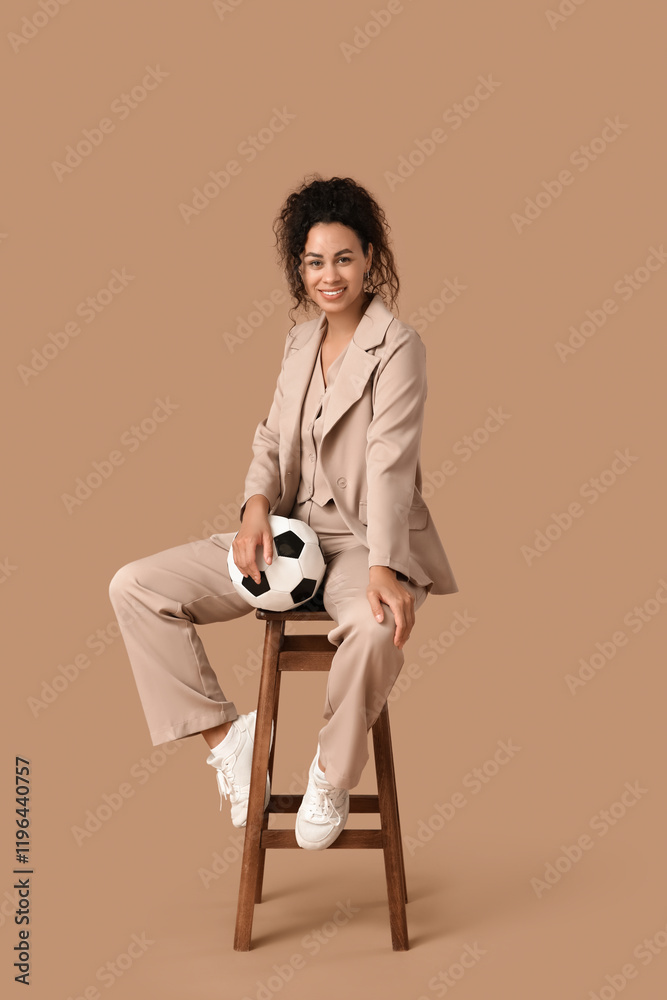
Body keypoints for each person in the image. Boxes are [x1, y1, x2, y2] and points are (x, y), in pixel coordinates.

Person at [108, 174, 458, 851]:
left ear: (370, 258)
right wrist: (254, 509)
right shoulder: (299, 343)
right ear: (300, 267)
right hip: (290, 533)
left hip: (363, 541)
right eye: (314, 261)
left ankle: (330, 771)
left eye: (344, 258)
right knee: (136, 586)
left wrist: (384, 567)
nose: (329, 275)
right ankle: (231, 738)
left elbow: (389, 462)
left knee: (375, 626)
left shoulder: (399, 347)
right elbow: (271, 439)